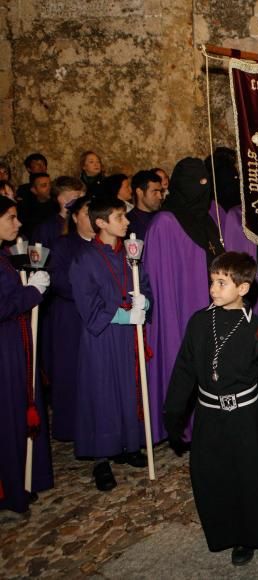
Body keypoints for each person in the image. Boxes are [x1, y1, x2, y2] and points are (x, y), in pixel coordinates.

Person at [164, 251, 258, 566]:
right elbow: (185, 369)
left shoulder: (256, 328)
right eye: (212, 281)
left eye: (221, 282)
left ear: (243, 288)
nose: (213, 289)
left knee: (245, 477)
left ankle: (246, 535)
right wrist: (173, 411)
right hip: (208, 416)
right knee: (210, 475)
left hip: (244, 416)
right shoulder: (200, 322)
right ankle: (222, 530)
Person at [69, 195, 152, 491]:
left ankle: (130, 444)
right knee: (102, 392)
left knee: (130, 388)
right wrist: (123, 316)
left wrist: (145, 301)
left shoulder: (131, 253)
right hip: (102, 338)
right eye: (120, 217)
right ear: (102, 223)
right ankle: (101, 458)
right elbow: (88, 306)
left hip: (128, 335)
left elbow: (145, 284)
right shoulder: (84, 259)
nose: (127, 222)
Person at [144, 158, 224, 443]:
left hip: (211, 302)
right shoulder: (165, 223)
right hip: (182, 308)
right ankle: (179, 421)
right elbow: (159, 280)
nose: (202, 189)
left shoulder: (207, 218)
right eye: (196, 183)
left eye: (206, 182)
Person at [0, 197, 54, 513]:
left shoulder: (7, 255)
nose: (18, 224)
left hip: (16, 343)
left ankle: (26, 478)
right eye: (11, 217)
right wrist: (32, 292)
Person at [45, 196, 94, 441]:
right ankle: (72, 427)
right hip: (71, 316)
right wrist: (90, 293)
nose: (92, 218)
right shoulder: (63, 245)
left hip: (98, 314)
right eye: (87, 213)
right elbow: (58, 280)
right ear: (75, 218)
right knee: (71, 371)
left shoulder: (103, 244)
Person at [32, 176, 85, 248]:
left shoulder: (86, 221)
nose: (82, 202)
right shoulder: (47, 228)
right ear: (61, 198)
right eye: (77, 197)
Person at [127, 170, 164, 240]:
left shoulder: (164, 217)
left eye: (160, 192)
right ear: (139, 192)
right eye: (155, 192)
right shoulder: (128, 223)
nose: (160, 197)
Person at [19, 172, 57, 238]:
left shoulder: (57, 204)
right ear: (34, 190)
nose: (49, 188)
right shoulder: (26, 208)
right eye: (44, 185)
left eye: (50, 184)